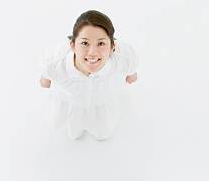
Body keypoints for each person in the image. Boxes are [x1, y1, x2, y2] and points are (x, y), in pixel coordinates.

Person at [39, 10, 138, 140]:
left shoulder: (124, 58)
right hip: (72, 105)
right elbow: (45, 82)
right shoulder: (55, 62)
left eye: (101, 43)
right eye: (85, 43)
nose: (92, 52)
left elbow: (131, 76)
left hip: (103, 103)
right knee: (73, 133)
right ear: (73, 45)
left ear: (112, 47)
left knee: (103, 132)